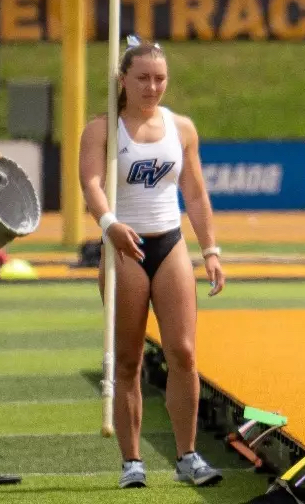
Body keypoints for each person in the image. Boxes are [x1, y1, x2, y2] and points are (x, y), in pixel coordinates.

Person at [78, 36, 227, 488]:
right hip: (124, 246)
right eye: (142, 78)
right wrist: (109, 225)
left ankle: (188, 456)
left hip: (169, 242)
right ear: (123, 80)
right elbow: (91, 183)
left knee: (182, 351)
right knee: (128, 360)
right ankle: (132, 462)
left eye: (160, 78)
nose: (152, 86)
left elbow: (196, 194)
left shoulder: (181, 128)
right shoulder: (103, 129)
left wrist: (211, 250)